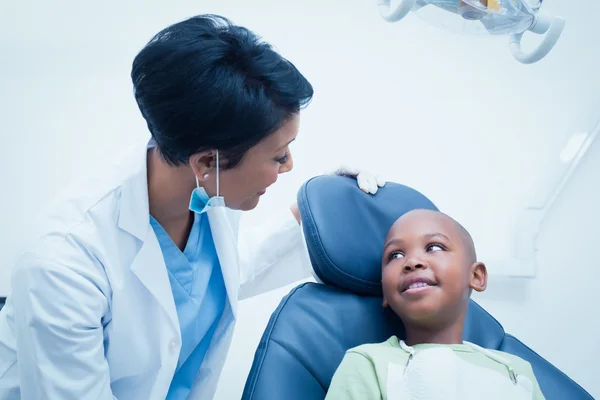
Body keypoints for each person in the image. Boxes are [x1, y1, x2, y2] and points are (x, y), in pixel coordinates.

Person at [0, 14, 384, 400]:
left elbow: (212, 275)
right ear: (205, 163)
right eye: (279, 155)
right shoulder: (62, 265)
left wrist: (311, 217)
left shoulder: (203, 190)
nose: (289, 167)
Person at [325, 209, 545, 400]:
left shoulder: (516, 371)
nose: (412, 262)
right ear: (385, 291)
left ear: (476, 276)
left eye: (434, 247)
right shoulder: (368, 365)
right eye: (396, 255)